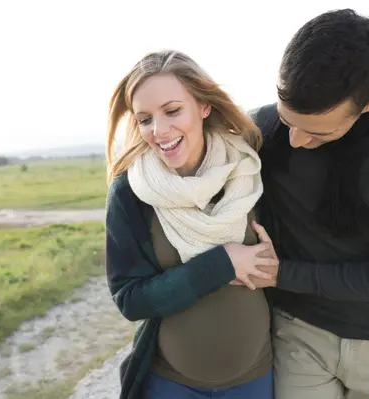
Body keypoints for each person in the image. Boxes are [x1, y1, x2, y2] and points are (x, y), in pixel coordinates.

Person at [248, 8, 369, 399]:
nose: (294, 142)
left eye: (317, 132)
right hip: (297, 333)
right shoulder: (261, 129)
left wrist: (281, 273)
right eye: (289, 122)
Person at [104, 50, 278, 399]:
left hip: (254, 380)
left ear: (203, 106)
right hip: (171, 384)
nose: (159, 130)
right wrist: (220, 264)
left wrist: (278, 269)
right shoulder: (131, 192)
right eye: (144, 119)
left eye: (172, 111)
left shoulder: (249, 167)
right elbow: (130, 300)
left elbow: (291, 256)